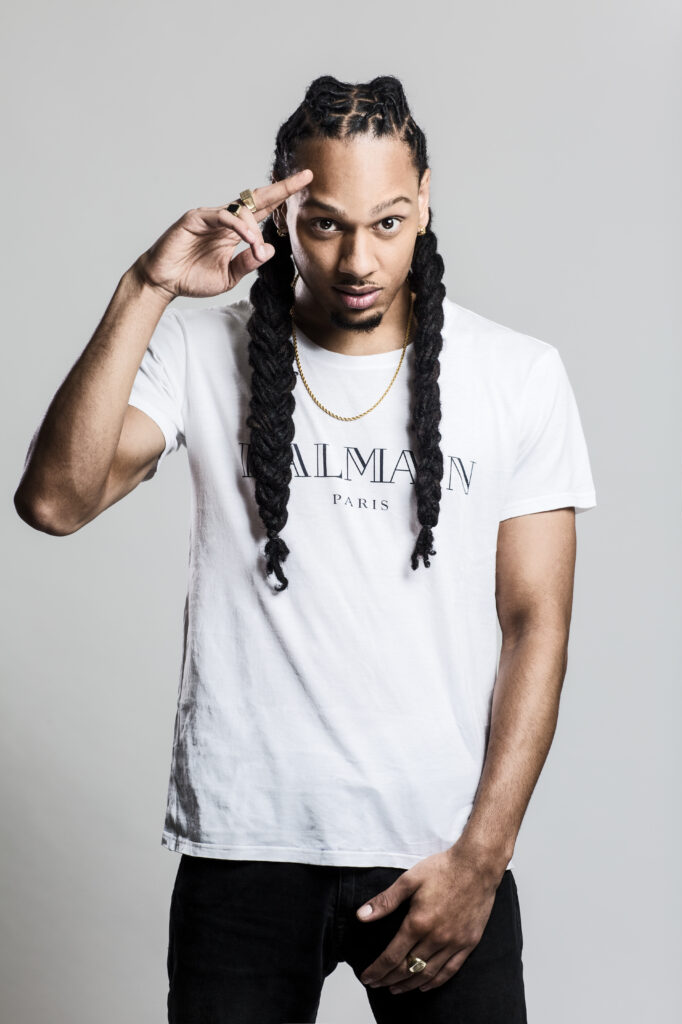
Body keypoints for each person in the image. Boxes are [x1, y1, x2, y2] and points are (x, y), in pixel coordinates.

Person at [14, 74, 597, 1023]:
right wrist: (147, 287)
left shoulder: (517, 375)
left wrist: (483, 858)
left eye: (388, 223)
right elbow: (54, 501)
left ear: (425, 200)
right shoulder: (202, 350)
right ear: (280, 209)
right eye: (325, 225)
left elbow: (537, 625)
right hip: (245, 852)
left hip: (439, 851)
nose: (358, 260)